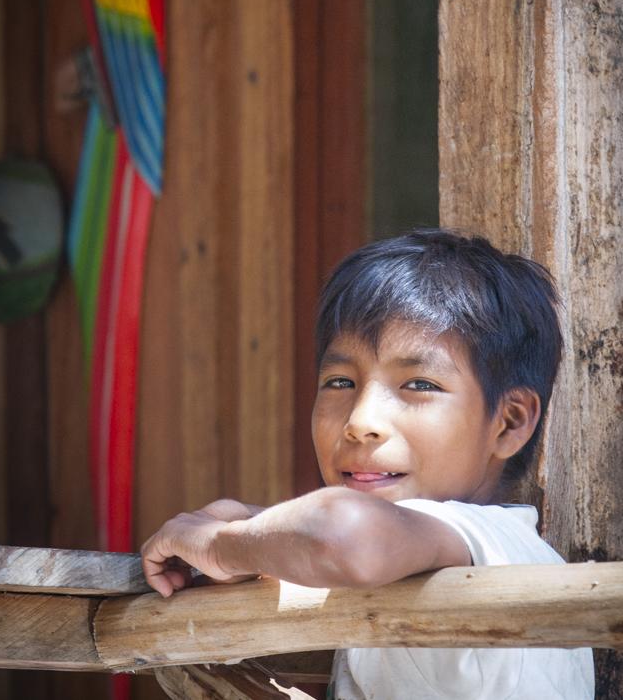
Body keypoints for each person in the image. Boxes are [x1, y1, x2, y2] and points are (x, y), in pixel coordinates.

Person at [141, 228, 595, 699]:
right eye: (340, 382)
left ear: (509, 423)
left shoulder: (495, 547)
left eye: (419, 385)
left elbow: (341, 534)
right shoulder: (411, 561)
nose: (361, 422)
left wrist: (222, 545)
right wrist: (261, 528)